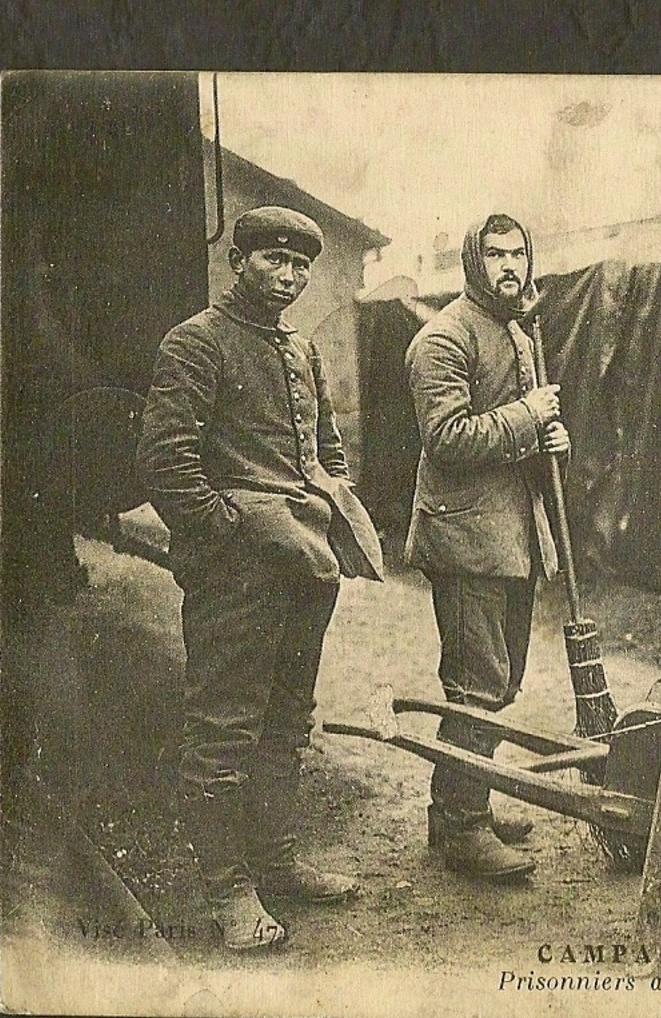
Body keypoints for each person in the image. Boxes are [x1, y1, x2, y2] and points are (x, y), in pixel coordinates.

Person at [138, 206, 383, 951]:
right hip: (240, 578)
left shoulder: (299, 350)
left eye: (301, 264)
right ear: (237, 261)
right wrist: (229, 534)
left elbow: (327, 452)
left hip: (306, 566)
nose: (291, 275)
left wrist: (330, 509)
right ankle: (228, 891)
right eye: (275, 260)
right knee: (223, 730)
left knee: (287, 720)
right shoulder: (196, 343)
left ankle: (276, 865)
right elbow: (164, 462)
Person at [403, 213, 570, 882]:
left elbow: (523, 432)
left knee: (499, 683)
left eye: (518, 252)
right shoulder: (442, 339)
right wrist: (529, 418)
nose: (509, 265)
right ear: (473, 260)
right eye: (496, 253)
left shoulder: (516, 331)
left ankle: (458, 807)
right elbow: (447, 438)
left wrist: (552, 438)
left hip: (512, 536)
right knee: (474, 686)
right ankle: (465, 829)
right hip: (467, 534)